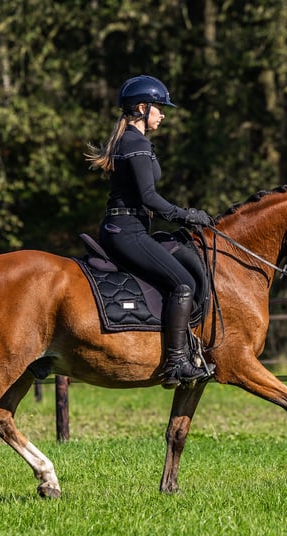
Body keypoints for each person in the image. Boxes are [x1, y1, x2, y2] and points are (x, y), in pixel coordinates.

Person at [84, 74, 216, 387]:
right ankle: (176, 362)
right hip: (127, 231)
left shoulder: (128, 141)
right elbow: (149, 198)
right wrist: (186, 216)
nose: (162, 113)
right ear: (141, 108)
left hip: (126, 227)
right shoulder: (136, 143)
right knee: (183, 283)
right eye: (158, 107)